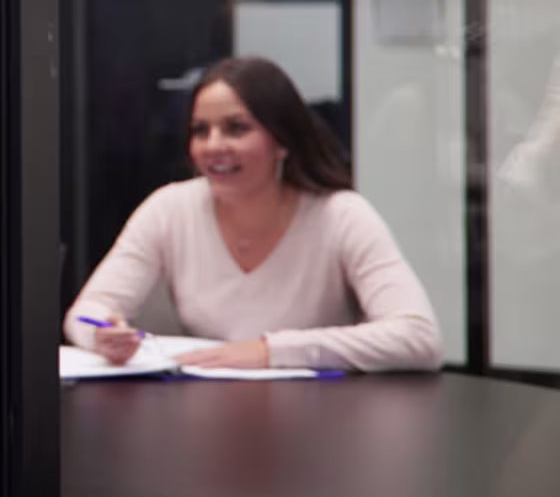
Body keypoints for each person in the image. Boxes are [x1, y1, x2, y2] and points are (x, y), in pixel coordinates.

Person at [65, 56, 442, 372]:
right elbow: (84, 313)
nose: (213, 145)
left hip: (320, 419)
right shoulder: (168, 209)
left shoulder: (341, 215)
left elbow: (418, 337)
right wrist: (102, 335)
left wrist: (270, 351)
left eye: (236, 128)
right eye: (200, 130)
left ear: (282, 141)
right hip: (205, 415)